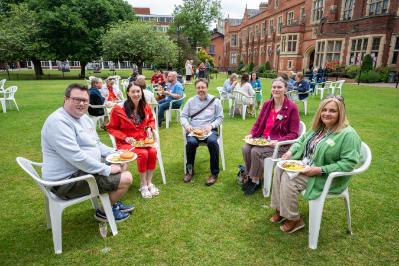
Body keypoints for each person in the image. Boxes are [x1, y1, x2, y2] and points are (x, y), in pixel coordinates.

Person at [41, 83, 133, 222]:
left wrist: (116, 152)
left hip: (82, 171)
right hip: (66, 182)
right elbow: (76, 157)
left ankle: (110, 202)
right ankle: (104, 211)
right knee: (126, 178)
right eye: (77, 99)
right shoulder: (58, 122)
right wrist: (106, 169)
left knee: (122, 163)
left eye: (85, 100)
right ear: (66, 99)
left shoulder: (84, 118)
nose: (82, 104)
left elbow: (96, 144)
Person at [270, 95, 361, 233]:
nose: (327, 113)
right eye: (324, 109)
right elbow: (301, 141)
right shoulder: (320, 128)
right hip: (307, 166)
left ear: (341, 113)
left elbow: (349, 163)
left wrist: (319, 170)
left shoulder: (348, 134)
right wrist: (290, 153)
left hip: (326, 176)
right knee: (279, 168)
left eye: (332, 111)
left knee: (289, 178)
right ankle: (280, 209)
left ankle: (294, 219)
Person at [241, 77, 300, 195]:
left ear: (285, 89)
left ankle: (256, 180)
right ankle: (250, 175)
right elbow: (258, 123)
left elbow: (294, 133)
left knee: (256, 151)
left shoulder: (292, 107)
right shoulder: (268, 104)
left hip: (280, 145)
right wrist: (251, 134)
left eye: (279, 87)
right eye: (274, 87)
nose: (276, 89)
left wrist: (278, 141)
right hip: (264, 140)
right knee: (246, 148)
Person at [107, 81, 159, 199]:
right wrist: (125, 137)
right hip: (126, 142)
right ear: (128, 93)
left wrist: (149, 128)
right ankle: (143, 184)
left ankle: (149, 182)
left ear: (142, 92)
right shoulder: (118, 109)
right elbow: (111, 128)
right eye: (133, 92)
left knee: (152, 151)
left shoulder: (145, 107)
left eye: (138, 91)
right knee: (143, 153)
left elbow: (151, 120)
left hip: (142, 140)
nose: (136, 94)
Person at [180, 78, 224, 185]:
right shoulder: (191, 101)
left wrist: (211, 125)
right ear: (196, 89)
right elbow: (183, 116)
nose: (201, 90)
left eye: (203, 87)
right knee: (191, 143)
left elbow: (220, 118)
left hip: (209, 130)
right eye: (198, 88)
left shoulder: (215, 101)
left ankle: (214, 174)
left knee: (213, 142)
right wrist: (187, 125)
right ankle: (190, 171)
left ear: (207, 88)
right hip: (194, 130)